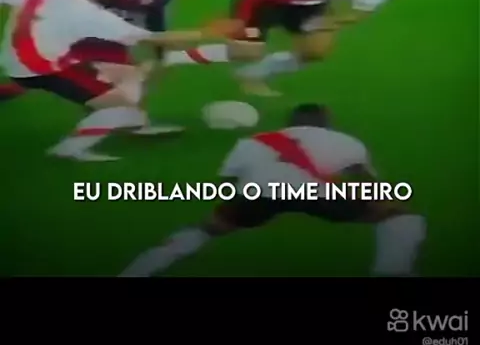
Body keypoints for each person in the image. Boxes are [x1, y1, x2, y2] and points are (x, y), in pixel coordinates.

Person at [119, 103, 426, 277]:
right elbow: (370, 185)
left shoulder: (253, 141)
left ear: (289, 124)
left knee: (209, 227)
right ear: (327, 124)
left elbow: (228, 185)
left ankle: (137, 271)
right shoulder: (345, 141)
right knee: (398, 216)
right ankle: (392, 270)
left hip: (259, 193)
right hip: (319, 194)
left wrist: (229, 215)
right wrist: (381, 205)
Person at [0, 0, 237, 161]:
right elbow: (151, 38)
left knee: (128, 74)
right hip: (47, 69)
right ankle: (69, 149)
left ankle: (131, 121)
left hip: (18, 62)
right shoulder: (86, 13)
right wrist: (206, 32)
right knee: (122, 109)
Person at [154, 0, 402, 96]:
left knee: (316, 51)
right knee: (247, 52)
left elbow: (359, 13)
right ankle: (167, 56)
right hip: (264, 2)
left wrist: (330, 22)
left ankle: (252, 75)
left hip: (309, 5)